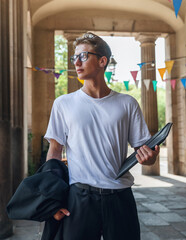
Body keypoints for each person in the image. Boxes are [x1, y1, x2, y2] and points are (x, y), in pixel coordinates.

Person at [44, 32, 160, 240]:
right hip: (79, 198)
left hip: (120, 198)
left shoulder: (127, 103)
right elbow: (54, 153)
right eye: (74, 57)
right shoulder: (63, 104)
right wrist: (52, 200)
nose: (76, 62)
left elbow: (146, 153)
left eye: (83, 56)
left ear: (102, 61)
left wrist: (150, 157)